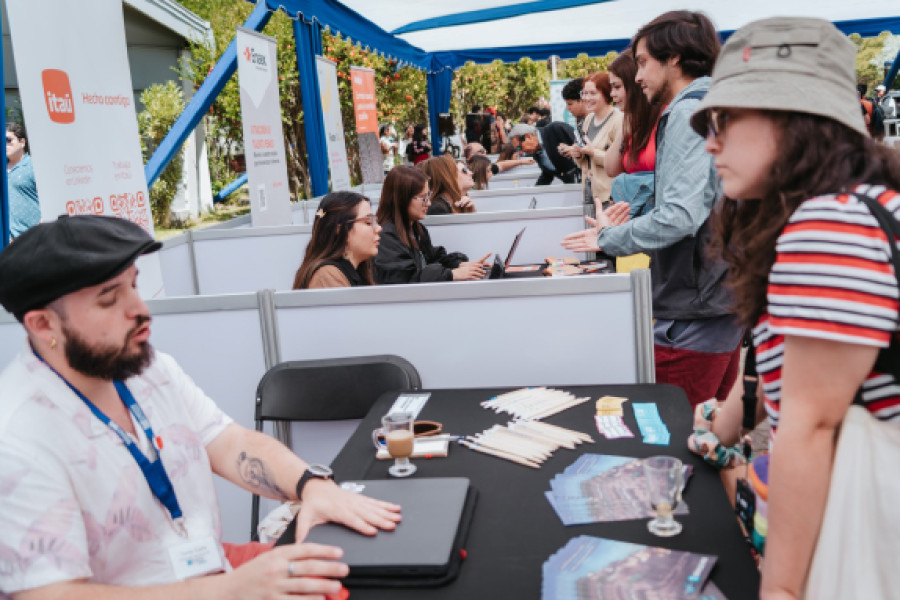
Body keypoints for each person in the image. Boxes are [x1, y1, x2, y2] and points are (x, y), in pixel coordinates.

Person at [0, 215, 403, 598]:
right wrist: (226, 592)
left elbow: (228, 443)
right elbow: (48, 593)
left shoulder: (146, 368)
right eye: (109, 301)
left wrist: (311, 486)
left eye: (134, 286)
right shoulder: (17, 438)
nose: (140, 309)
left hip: (214, 574)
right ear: (43, 325)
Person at [685, 17, 900, 598]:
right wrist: (718, 426)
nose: (710, 142)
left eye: (724, 120)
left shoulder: (828, 224)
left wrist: (779, 591)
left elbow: (811, 425)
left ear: (794, 118)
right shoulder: (868, 206)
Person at [562, 10, 742, 408]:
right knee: (715, 432)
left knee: (674, 434)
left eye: (643, 63)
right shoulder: (720, 104)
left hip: (696, 304)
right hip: (721, 297)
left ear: (674, 57)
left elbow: (680, 215)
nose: (637, 76)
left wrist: (609, 237)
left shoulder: (687, 112)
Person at [374, 165, 489, 284]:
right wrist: (451, 274)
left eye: (428, 196)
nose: (428, 203)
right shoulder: (385, 237)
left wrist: (460, 265)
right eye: (423, 198)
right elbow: (405, 279)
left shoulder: (416, 229)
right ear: (402, 199)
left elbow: (433, 258)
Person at [604, 50, 665, 218]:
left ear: (635, 85)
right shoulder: (632, 123)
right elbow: (611, 169)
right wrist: (623, 132)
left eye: (617, 87)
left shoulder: (666, 117)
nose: (612, 94)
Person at [558, 72, 623, 210]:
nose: (587, 98)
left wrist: (593, 153)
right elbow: (584, 162)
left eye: (593, 93)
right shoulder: (588, 120)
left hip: (611, 196)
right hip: (589, 192)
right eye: (584, 93)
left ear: (606, 94)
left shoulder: (618, 120)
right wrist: (578, 154)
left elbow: (621, 162)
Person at [292, 191, 380, 289]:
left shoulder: (359, 271)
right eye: (368, 222)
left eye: (375, 221)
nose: (378, 228)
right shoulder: (327, 276)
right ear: (341, 230)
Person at [509, 122, 580, 185]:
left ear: (528, 136)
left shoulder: (556, 129)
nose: (521, 152)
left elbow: (583, 146)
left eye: (520, 147)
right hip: (573, 187)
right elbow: (548, 173)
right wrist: (534, 192)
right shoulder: (536, 152)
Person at [6, 122, 40, 240]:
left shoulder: (34, 166)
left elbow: (50, 202)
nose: (4, 144)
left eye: (8, 140)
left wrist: (36, 232)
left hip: (32, 240)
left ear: (22, 142)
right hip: (7, 241)